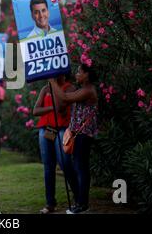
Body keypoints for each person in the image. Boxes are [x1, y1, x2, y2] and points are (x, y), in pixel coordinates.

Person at [49, 64, 99, 214]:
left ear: (87, 75)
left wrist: (52, 82)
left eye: (79, 72)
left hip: (83, 135)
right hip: (79, 134)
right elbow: (64, 101)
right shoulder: (82, 89)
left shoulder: (88, 90)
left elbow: (64, 97)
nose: (76, 74)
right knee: (80, 167)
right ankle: (81, 202)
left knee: (81, 168)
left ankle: (82, 205)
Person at [33, 74, 78, 214]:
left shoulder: (69, 88)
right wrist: (51, 107)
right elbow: (36, 111)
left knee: (65, 163)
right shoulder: (45, 89)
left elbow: (61, 108)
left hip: (62, 128)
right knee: (48, 166)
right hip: (48, 129)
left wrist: (54, 85)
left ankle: (78, 197)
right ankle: (50, 203)